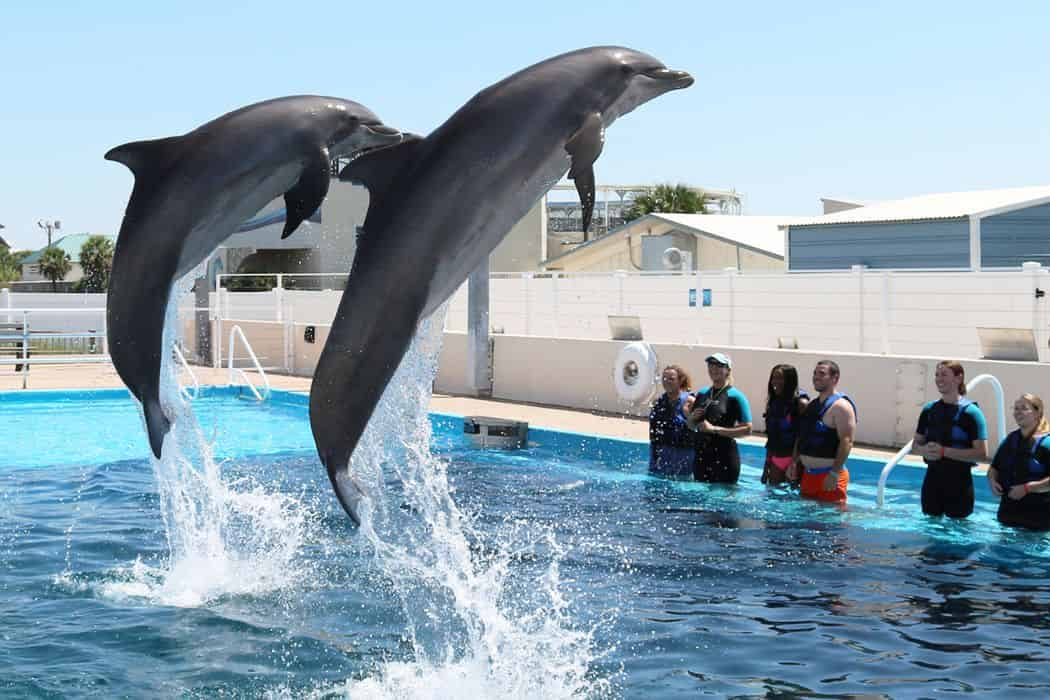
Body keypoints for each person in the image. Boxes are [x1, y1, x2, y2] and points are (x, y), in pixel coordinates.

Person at [911, 361, 988, 518]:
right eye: (937, 375)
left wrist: (944, 452)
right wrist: (924, 450)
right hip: (932, 482)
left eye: (944, 374)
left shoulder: (972, 413)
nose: (939, 379)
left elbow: (981, 453)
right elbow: (915, 446)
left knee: (958, 532)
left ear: (958, 378)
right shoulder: (929, 410)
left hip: (959, 484)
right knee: (930, 527)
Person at [790, 360, 856, 503]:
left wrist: (834, 473)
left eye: (822, 374)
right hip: (808, 475)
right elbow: (802, 437)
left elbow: (847, 441)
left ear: (835, 378)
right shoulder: (812, 405)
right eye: (815, 373)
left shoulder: (842, 407)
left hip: (829, 475)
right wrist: (794, 462)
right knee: (804, 521)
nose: (816, 377)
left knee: (829, 520)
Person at [685, 353, 752, 483]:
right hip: (701, 458)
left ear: (728, 370)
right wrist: (691, 417)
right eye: (711, 365)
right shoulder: (703, 393)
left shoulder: (736, 396)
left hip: (725, 458)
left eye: (719, 365)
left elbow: (748, 429)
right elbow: (691, 426)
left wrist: (714, 429)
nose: (713, 369)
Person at [986, 394, 1050, 531]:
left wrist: (1027, 488)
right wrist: (992, 481)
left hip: (1037, 518)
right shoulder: (1011, 439)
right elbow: (993, 468)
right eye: (1015, 408)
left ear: (1037, 412)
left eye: (1023, 408)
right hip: (1008, 513)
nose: (1018, 412)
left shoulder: (1047, 443)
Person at [761, 364, 809, 486]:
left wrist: (794, 463)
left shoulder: (801, 403)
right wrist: (767, 465)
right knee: (773, 497)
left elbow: (803, 436)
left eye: (780, 378)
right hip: (776, 458)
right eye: (773, 378)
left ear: (790, 380)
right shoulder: (773, 402)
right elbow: (771, 436)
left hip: (795, 459)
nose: (775, 382)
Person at [648, 364, 695, 478]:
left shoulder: (689, 402)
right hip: (661, 456)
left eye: (671, 379)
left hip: (684, 457)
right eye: (664, 378)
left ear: (680, 380)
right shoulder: (658, 403)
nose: (666, 381)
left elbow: (700, 429)